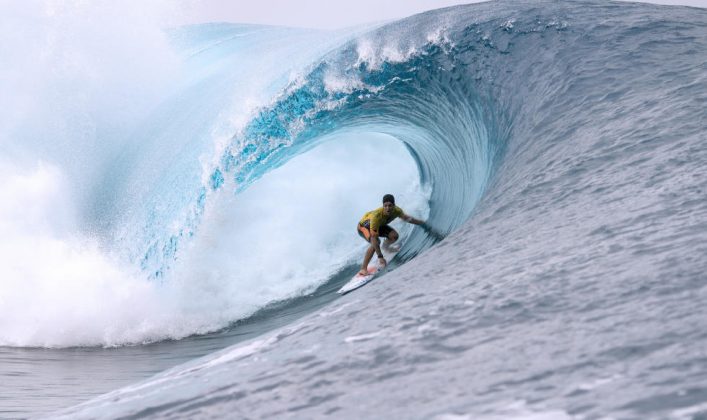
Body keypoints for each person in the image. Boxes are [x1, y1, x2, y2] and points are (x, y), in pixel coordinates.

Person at [356, 194, 425, 276]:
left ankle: (386, 248)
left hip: (379, 224)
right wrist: (380, 257)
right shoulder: (376, 216)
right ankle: (363, 269)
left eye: (390, 205)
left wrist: (421, 223)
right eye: (385, 206)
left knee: (394, 236)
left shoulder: (397, 211)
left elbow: (408, 219)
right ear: (383, 206)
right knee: (376, 242)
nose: (388, 208)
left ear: (394, 205)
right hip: (364, 226)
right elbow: (374, 238)